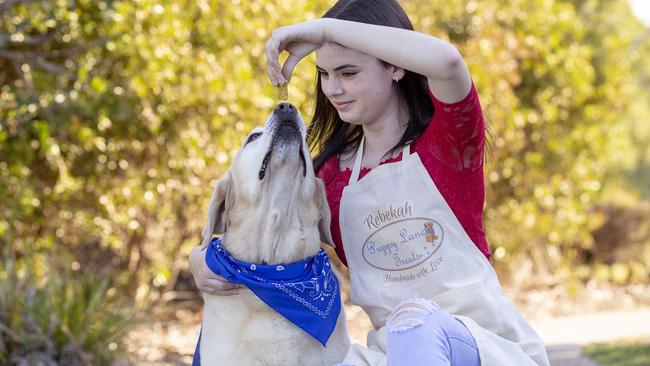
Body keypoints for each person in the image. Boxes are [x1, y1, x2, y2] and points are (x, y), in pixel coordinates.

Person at [189, 0, 550, 365]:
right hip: (393, 355)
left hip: (484, 350)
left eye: (348, 73)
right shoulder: (328, 178)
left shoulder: (448, 148)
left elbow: (448, 62)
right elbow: (268, 230)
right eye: (325, 74)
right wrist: (204, 259)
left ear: (395, 66)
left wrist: (325, 31)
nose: (333, 89)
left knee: (417, 324)